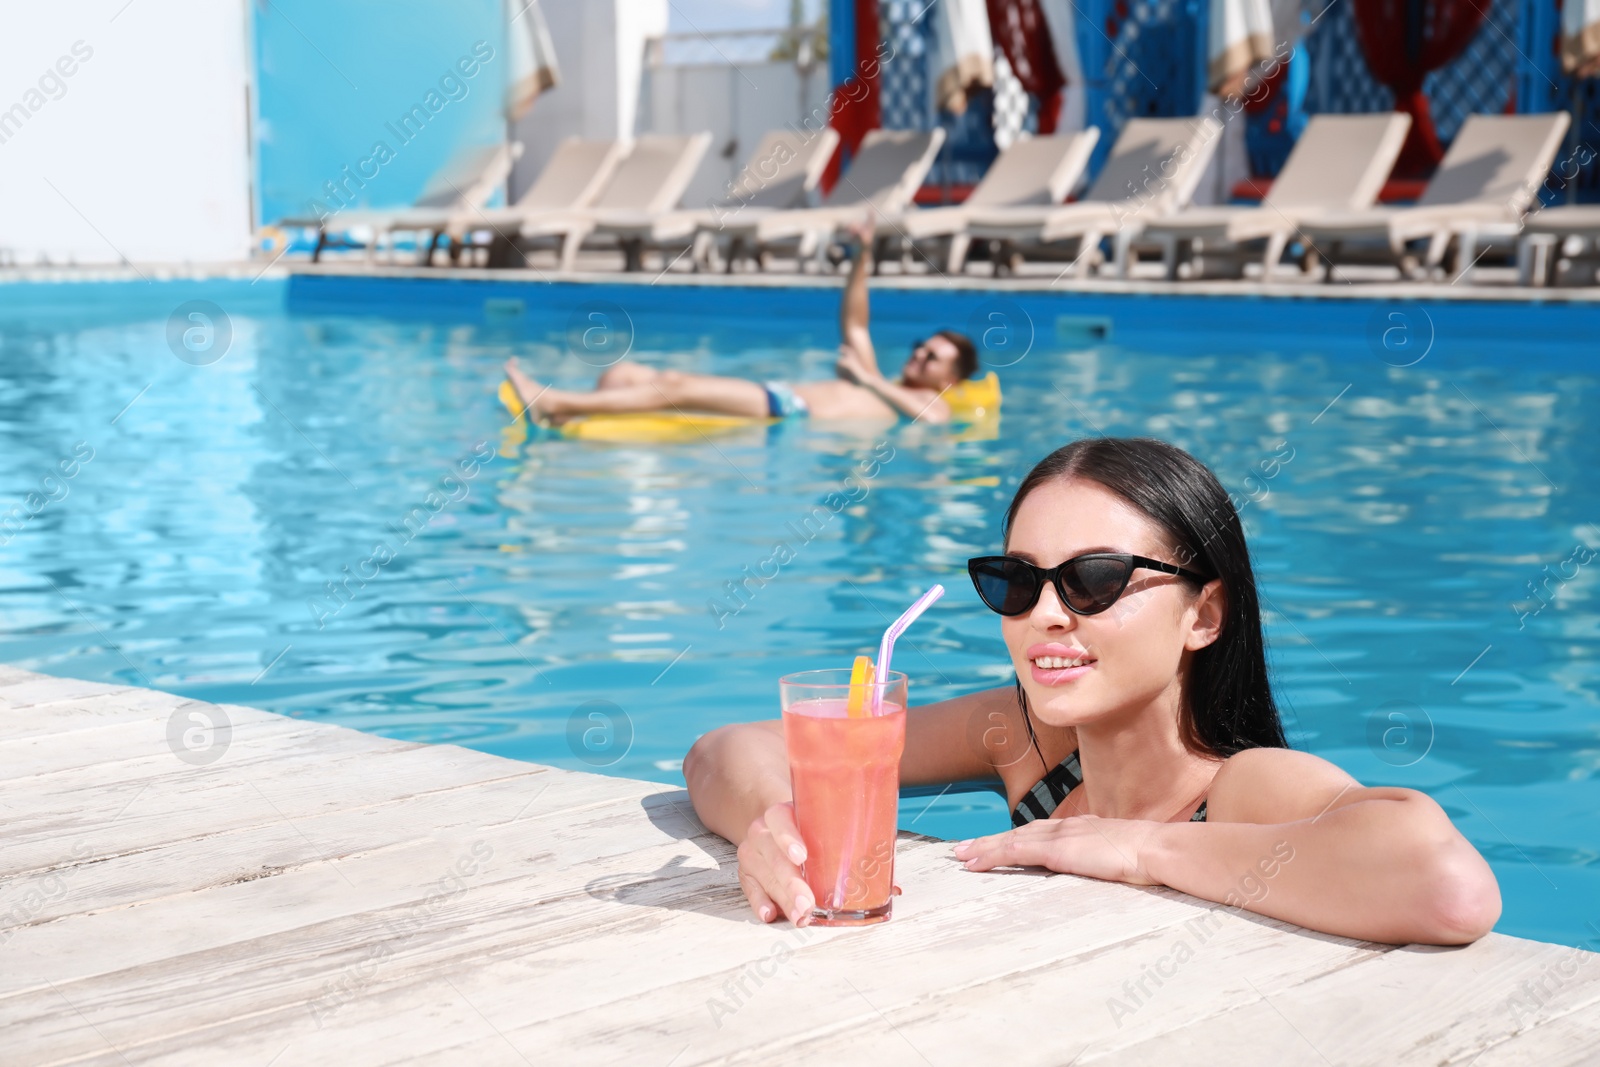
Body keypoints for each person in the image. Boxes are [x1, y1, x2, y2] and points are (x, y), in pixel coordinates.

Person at [682, 437, 1502, 945]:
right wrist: (776, 827)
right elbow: (725, 749)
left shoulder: (1237, 786)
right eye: (1017, 580)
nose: (1043, 614)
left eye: (1095, 580)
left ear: (1203, 615)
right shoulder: (1027, 742)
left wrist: (1144, 850)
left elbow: (1450, 885)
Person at [502, 218, 978, 427]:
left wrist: (867, 379)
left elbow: (931, 418)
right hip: (773, 393)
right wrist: (864, 255)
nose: (918, 353)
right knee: (622, 372)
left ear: (951, 378)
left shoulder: (923, 401)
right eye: (921, 345)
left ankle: (553, 403)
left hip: (788, 410)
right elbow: (856, 323)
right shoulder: (879, 379)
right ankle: (579, 411)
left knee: (674, 382)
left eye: (932, 356)